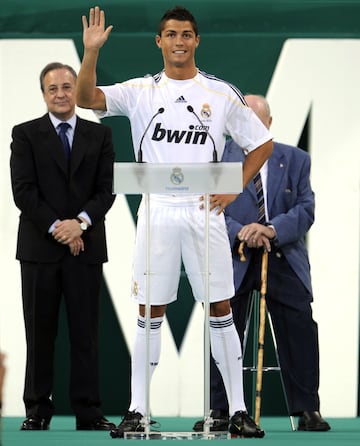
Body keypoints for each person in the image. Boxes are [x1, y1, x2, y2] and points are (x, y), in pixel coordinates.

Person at [76, 6, 273, 439]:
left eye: (186, 34)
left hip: (205, 210)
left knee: (220, 306)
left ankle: (238, 410)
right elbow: (85, 99)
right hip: (158, 206)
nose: (179, 41)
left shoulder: (220, 93)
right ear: (159, 42)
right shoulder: (141, 90)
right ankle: (138, 410)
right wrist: (90, 53)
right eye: (170, 34)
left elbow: (261, 142)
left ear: (197, 40)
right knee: (150, 308)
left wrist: (237, 184)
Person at [193, 94, 330, 432]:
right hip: (233, 255)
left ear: (269, 124)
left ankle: (307, 409)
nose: (252, 129)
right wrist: (243, 232)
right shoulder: (220, 161)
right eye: (245, 123)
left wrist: (269, 229)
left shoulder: (295, 159)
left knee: (299, 327)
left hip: (281, 255)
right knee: (223, 329)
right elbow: (209, 209)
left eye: (258, 122)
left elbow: (305, 208)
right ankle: (220, 410)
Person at [10, 62, 116, 431]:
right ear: (43, 94)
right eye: (53, 88)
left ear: (76, 90)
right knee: (39, 333)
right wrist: (59, 228)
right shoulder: (24, 135)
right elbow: (23, 192)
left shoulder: (99, 136)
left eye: (67, 87)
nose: (61, 94)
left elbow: (106, 191)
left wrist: (80, 225)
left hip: (86, 248)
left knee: (85, 333)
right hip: (40, 250)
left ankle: (88, 412)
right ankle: (37, 409)